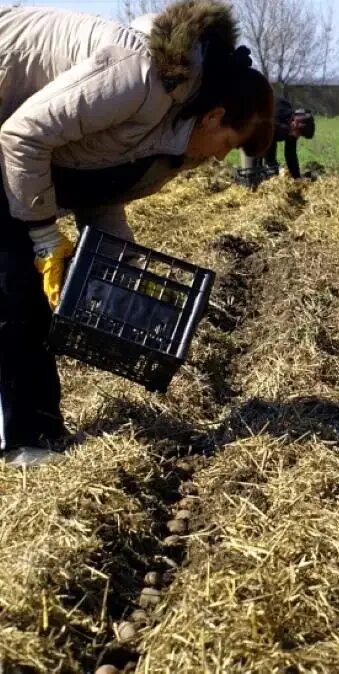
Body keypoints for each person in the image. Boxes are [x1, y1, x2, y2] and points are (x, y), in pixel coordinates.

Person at [0, 0, 274, 465]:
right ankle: (27, 440)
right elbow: (22, 137)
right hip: (11, 127)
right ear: (212, 117)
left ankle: (35, 433)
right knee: (15, 282)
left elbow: (98, 180)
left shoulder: (172, 138)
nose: (224, 158)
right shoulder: (139, 77)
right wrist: (45, 235)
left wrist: (121, 268)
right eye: (229, 143)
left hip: (21, 144)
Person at [264, 98, 316, 179]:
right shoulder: (276, 117)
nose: (298, 137)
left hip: (268, 134)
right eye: (299, 134)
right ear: (295, 124)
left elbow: (290, 154)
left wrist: (297, 177)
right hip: (251, 130)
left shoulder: (292, 129)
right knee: (253, 167)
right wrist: (271, 165)